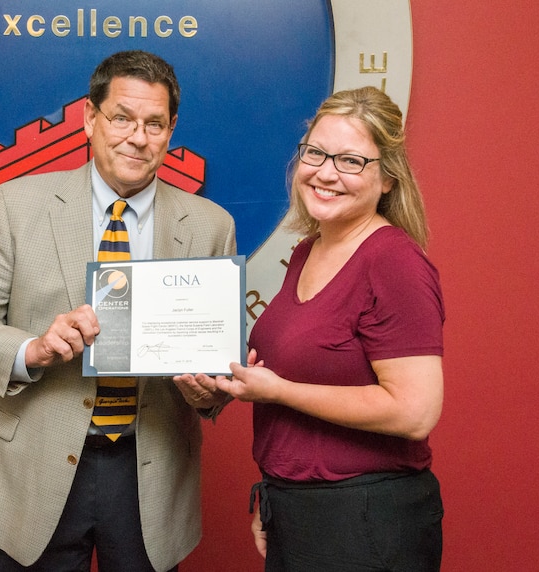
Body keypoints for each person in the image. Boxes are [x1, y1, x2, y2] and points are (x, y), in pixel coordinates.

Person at [0, 50, 235, 572]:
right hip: (33, 464)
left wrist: (207, 390)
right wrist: (34, 348)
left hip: (150, 470)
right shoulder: (18, 204)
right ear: (91, 119)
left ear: (170, 130)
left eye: (154, 124)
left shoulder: (210, 226)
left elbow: (215, 365)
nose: (137, 137)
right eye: (122, 118)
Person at [178, 86, 445, 571]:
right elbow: (303, 372)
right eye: (316, 153)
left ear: (388, 178)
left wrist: (278, 391)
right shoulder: (307, 251)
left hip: (366, 521)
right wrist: (222, 390)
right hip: (299, 511)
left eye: (350, 161)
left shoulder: (394, 261)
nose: (325, 173)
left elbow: (414, 412)